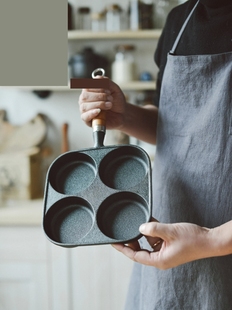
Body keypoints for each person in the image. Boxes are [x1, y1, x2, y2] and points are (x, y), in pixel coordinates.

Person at [78, 0, 232, 308]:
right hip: (174, 241)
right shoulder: (180, 20)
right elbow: (173, 125)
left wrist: (212, 240)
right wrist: (125, 116)